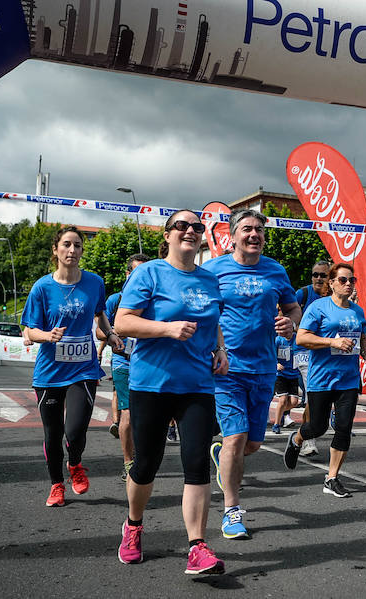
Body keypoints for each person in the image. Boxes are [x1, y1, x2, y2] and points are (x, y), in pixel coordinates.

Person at [114, 209, 228, 574]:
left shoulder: (210, 280)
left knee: (196, 464)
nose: (190, 231)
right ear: (167, 235)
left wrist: (221, 349)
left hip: (197, 384)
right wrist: (166, 329)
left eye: (197, 227)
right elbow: (123, 321)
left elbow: (213, 321)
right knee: (146, 464)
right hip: (152, 382)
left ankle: (197, 546)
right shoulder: (149, 273)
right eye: (181, 225)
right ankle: (133, 525)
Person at [203, 209, 301, 539]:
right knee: (235, 438)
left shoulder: (275, 270)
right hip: (227, 369)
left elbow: (292, 308)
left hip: (263, 369)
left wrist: (292, 323)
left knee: (253, 444)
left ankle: (222, 456)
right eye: (247, 229)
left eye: (259, 229)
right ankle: (232, 511)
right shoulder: (213, 270)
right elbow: (200, 310)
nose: (254, 234)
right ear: (232, 236)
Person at [21, 226, 124, 507]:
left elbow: (100, 314)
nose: (72, 250)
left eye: (77, 245)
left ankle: (75, 464)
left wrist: (111, 334)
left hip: (83, 369)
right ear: (56, 250)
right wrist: (47, 335)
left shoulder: (94, 283)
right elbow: (28, 331)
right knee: (52, 436)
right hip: (50, 372)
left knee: (75, 431)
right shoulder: (42, 287)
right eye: (66, 245)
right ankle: (56, 485)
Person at [284, 263, 366, 498]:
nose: (348, 284)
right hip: (322, 378)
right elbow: (302, 338)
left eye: (352, 280)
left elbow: (361, 333)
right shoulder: (318, 307)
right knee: (317, 427)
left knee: (343, 428)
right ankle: (296, 439)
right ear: (332, 283)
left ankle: (332, 477)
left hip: (348, 379)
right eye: (343, 280)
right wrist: (332, 342)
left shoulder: (357, 311)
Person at [97, 253, 150, 481]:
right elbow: (99, 330)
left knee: (146, 415)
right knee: (127, 413)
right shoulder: (114, 300)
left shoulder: (154, 300)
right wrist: (111, 335)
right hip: (123, 362)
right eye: (136, 271)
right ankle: (129, 462)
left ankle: (141, 455)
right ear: (128, 273)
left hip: (149, 363)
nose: (141, 276)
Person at [290, 260, 330, 454]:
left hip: (329, 353)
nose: (319, 279)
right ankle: (308, 439)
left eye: (323, 275)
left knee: (318, 397)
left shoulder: (337, 296)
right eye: (315, 275)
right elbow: (288, 313)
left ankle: (305, 434)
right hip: (304, 351)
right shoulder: (303, 294)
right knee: (312, 395)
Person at [271, 329, 302, 435]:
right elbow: (271, 354)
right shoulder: (278, 340)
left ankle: (281, 413)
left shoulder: (297, 339)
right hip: (281, 375)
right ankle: (276, 424)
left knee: (294, 402)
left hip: (294, 374)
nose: (285, 332)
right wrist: (276, 364)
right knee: (283, 400)